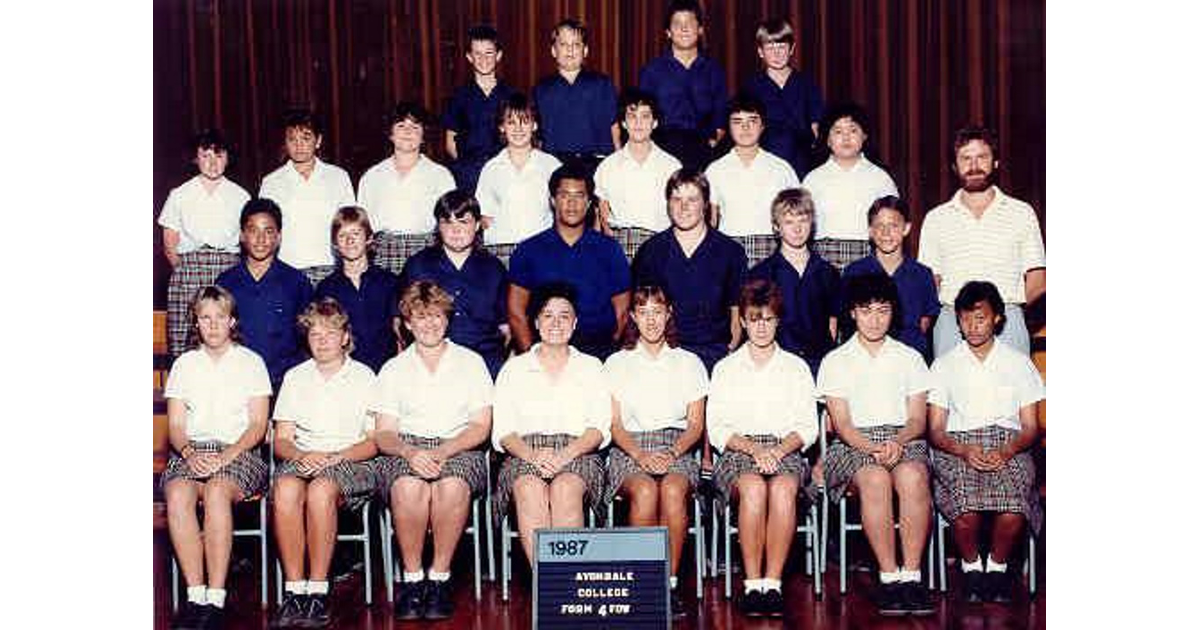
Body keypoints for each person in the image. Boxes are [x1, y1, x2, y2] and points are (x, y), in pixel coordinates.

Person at [372, 281, 494, 621]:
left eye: (437, 316)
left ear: (447, 319)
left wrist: (444, 451)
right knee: (409, 486)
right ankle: (412, 580)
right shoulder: (393, 369)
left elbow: (481, 426)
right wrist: (411, 454)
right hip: (406, 448)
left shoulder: (471, 363)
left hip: (460, 446)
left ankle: (439, 579)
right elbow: (384, 433)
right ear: (408, 323)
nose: (430, 324)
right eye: (421, 317)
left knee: (451, 486)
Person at [817, 273, 935, 616]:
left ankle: (911, 576)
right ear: (853, 313)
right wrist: (872, 448)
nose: (874, 319)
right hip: (853, 443)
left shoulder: (909, 356)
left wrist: (896, 442)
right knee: (875, 478)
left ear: (892, 312)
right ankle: (888, 576)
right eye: (866, 311)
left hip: (903, 438)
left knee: (912, 475)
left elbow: (917, 420)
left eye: (882, 311)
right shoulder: (836, 360)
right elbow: (841, 424)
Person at [927, 281, 1044, 604]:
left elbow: (1031, 426)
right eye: (965, 319)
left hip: (1010, 443)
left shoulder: (1018, 363)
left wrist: (1007, 450)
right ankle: (970, 567)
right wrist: (964, 450)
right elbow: (936, 429)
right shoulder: (944, 365)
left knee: (1014, 502)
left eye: (980, 318)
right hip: (958, 444)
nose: (972, 327)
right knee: (965, 506)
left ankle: (996, 566)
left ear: (997, 319)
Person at [707, 279, 818, 618]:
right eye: (754, 319)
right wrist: (754, 450)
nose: (761, 327)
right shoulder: (725, 369)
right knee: (754, 488)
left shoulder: (796, 368)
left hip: (785, 450)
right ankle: (752, 584)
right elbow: (718, 429)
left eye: (768, 319)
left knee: (784, 488)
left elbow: (807, 427)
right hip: (739, 451)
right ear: (742, 320)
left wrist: (778, 451)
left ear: (778, 320)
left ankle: (773, 584)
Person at [162, 286, 270, 630]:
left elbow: (257, 424)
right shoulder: (184, 364)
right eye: (205, 318)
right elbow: (176, 425)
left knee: (216, 492)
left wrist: (227, 456)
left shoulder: (251, 362)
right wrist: (190, 453)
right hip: (193, 450)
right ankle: (196, 596)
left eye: (219, 317)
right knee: (178, 493)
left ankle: (217, 597)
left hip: (240, 451)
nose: (212, 325)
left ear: (232, 320)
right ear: (196, 322)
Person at [269, 299, 379, 629]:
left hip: (350, 459)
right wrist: (303, 456)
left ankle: (318, 590)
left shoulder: (365, 376)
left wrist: (335, 458)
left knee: (321, 490)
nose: (322, 340)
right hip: (304, 457)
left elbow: (374, 442)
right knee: (286, 488)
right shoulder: (295, 377)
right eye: (314, 333)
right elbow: (282, 440)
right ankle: (295, 591)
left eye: (330, 332)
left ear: (345, 336)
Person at [603, 285, 708, 616]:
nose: (651, 320)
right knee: (646, 491)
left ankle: (670, 583)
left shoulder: (689, 362)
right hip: (630, 448)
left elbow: (695, 425)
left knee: (674, 489)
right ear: (633, 316)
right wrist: (640, 456)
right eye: (643, 312)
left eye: (657, 312)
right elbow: (615, 425)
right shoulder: (617, 363)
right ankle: (643, 583)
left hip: (676, 447)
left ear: (669, 314)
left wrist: (673, 453)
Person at [492, 283, 611, 568]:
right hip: (524, 453)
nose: (555, 323)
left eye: (564, 315)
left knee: (565, 488)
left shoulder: (592, 367)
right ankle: (547, 587)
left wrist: (562, 456)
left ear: (575, 323)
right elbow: (504, 432)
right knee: (529, 488)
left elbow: (598, 428)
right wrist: (534, 456)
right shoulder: (514, 369)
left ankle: (568, 582)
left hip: (578, 453)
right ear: (535, 322)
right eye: (547, 315)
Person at [918, 126, 1046, 358]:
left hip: (1007, 319)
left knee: (1011, 393)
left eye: (982, 157)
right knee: (951, 393)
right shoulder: (936, 218)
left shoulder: (1021, 213)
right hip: (952, 321)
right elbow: (931, 281)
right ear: (954, 166)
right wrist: (960, 315)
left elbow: (1037, 279)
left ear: (995, 162)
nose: (974, 165)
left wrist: (1002, 314)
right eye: (966, 158)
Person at [507, 163, 631, 360]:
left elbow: (622, 312)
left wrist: (609, 355)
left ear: (589, 203)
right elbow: (516, 311)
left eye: (579, 196)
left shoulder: (609, 250)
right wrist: (532, 357)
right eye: (564, 195)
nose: (571, 204)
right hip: (545, 351)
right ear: (553, 200)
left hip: (599, 352)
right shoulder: (528, 250)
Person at [631, 168, 745, 373]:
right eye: (676, 199)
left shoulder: (730, 252)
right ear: (667, 204)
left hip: (715, 355)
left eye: (692, 199)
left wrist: (728, 354)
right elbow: (640, 312)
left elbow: (737, 314)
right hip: (665, 354)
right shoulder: (651, 251)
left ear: (706, 205)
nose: (683, 207)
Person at [159, 129, 251, 358]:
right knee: (185, 339)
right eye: (206, 155)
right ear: (196, 158)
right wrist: (186, 270)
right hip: (189, 268)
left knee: (228, 334)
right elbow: (170, 243)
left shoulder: (241, 196)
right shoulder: (179, 194)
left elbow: (245, 240)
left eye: (218, 156)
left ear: (228, 158)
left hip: (227, 268)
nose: (212, 162)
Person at [399, 190, 509, 378]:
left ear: (477, 225)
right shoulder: (417, 266)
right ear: (438, 227)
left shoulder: (494, 268)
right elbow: (401, 324)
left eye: (463, 222)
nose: (455, 230)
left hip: (485, 362)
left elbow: (506, 330)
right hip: (432, 361)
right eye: (447, 222)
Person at [217, 199, 314, 390]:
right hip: (236, 383)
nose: (260, 239)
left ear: (278, 237)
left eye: (268, 231)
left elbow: (308, 338)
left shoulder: (297, 282)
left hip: (285, 383)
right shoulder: (226, 282)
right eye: (253, 230)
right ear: (242, 236)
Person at [747, 188, 840, 378]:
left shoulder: (827, 272)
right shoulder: (761, 273)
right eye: (789, 222)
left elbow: (832, 323)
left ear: (812, 223)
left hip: (818, 364)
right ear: (776, 227)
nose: (797, 229)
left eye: (803, 220)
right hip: (777, 366)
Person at [356, 102, 456, 275]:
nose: (408, 132)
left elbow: (449, 222)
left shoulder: (441, 175)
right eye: (401, 126)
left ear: (424, 135)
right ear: (391, 134)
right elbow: (362, 225)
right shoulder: (372, 177)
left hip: (426, 253)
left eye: (415, 127)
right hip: (383, 254)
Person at [258, 108, 356, 286]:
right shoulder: (271, 182)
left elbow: (350, 226)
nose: (299, 145)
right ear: (285, 144)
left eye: (306, 138)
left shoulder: (338, 177)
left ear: (318, 141)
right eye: (292, 139)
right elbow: (266, 233)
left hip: (330, 268)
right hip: (287, 271)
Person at [705, 92, 801, 266]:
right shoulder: (715, 170)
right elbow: (711, 221)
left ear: (763, 126)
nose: (745, 128)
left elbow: (798, 214)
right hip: (728, 249)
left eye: (752, 121)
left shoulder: (782, 168)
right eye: (738, 122)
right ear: (727, 127)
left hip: (772, 248)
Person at [801, 102, 899, 270]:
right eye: (838, 131)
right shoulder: (812, 179)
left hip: (868, 256)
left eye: (853, 130)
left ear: (864, 136)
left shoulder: (881, 178)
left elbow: (893, 222)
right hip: (823, 259)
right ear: (828, 140)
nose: (846, 138)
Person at [843, 196, 940, 361]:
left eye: (893, 226)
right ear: (870, 231)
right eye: (879, 226)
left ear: (906, 228)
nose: (886, 233)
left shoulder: (922, 274)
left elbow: (924, 324)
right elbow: (848, 322)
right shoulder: (854, 272)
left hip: (910, 359)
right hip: (865, 358)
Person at [637, 0, 727, 171]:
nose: (684, 29)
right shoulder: (652, 71)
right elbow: (643, 114)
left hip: (704, 151)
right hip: (662, 152)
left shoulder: (714, 70)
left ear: (700, 30)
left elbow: (721, 115)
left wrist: (714, 141)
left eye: (690, 23)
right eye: (677, 24)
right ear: (668, 32)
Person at [594, 88, 683, 260]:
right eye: (632, 116)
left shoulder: (671, 166)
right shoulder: (608, 166)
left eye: (645, 116)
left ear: (655, 122)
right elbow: (602, 214)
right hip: (619, 245)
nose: (638, 123)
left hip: (660, 243)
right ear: (624, 123)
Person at [474, 92, 563, 265]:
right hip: (500, 250)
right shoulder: (491, 168)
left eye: (524, 121)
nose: (518, 129)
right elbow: (484, 216)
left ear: (535, 125)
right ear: (501, 127)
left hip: (542, 249)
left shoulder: (551, 165)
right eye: (511, 122)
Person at [314, 206, 401, 373]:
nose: (350, 240)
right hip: (346, 373)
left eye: (356, 234)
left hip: (385, 370)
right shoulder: (326, 288)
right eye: (342, 236)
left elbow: (399, 333)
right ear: (335, 244)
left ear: (369, 238)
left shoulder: (389, 281)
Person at [531, 18, 620, 174]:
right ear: (553, 50)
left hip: (597, 164)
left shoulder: (602, 84)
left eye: (576, 44)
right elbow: (536, 137)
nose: (570, 50)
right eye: (563, 44)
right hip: (554, 165)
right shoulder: (541, 89)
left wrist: (619, 162)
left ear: (585, 50)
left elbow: (615, 128)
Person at [742, 17, 824, 181]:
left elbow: (817, 128)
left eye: (781, 46)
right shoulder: (751, 87)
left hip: (802, 162)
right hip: (765, 162)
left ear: (792, 48)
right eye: (770, 47)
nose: (777, 53)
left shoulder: (807, 84)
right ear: (760, 52)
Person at [443, 24, 516, 194]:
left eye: (489, 53)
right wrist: (467, 168)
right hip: (468, 175)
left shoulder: (511, 95)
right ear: (469, 56)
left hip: (503, 173)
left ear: (498, 55)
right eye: (478, 53)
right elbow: (450, 142)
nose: (484, 59)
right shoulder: (459, 96)